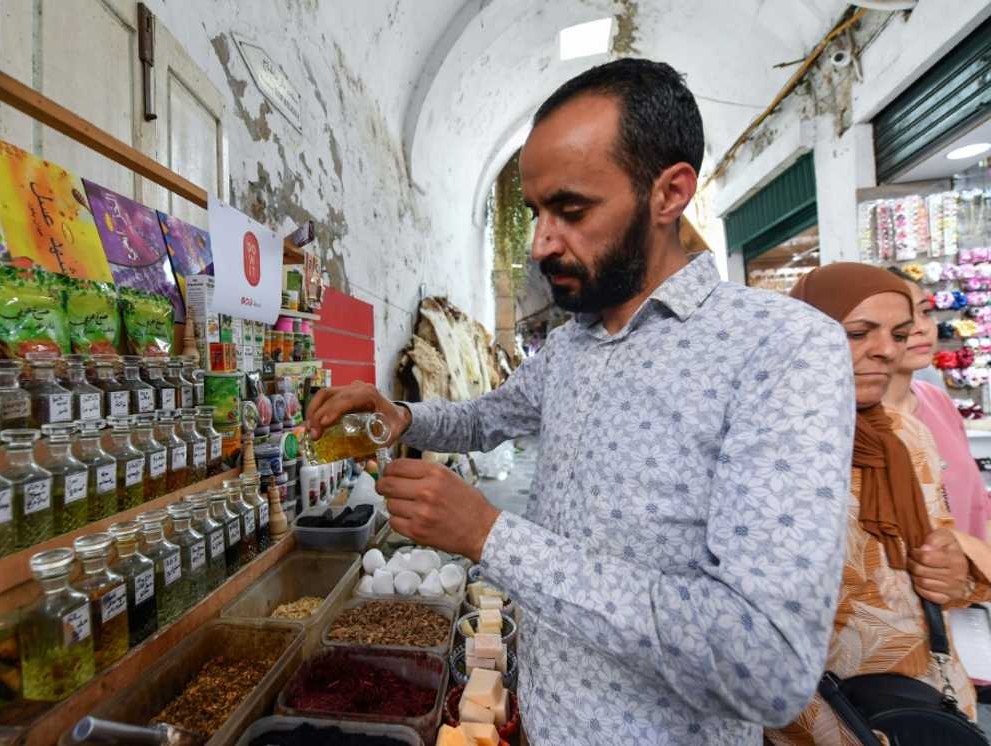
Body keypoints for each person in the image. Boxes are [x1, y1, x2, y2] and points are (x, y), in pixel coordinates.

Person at [308, 59, 855, 744]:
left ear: (670, 193)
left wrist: (488, 534)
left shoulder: (780, 351)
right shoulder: (573, 346)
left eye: (570, 210)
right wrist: (403, 415)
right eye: (535, 212)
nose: (540, 243)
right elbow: (486, 417)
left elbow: (765, 662)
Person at [766, 263, 990, 745]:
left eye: (900, 333)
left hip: (921, 693)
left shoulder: (905, 434)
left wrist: (955, 570)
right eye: (857, 333)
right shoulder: (765, 442)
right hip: (816, 708)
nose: (887, 350)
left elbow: (938, 547)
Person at [883, 268, 991, 540]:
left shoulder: (935, 399)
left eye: (925, 311)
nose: (921, 327)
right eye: (900, 318)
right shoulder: (854, 424)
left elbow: (978, 502)